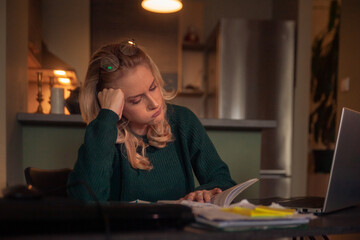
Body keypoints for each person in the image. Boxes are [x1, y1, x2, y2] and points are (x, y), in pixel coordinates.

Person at [68, 39, 236, 203]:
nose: (155, 103)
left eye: (153, 87)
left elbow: (223, 181)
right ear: (111, 102)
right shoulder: (103, 133)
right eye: (136, 100)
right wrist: (107, 118)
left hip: (178, 230)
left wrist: (205, 193)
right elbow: (85, 202)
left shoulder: (183, 120)